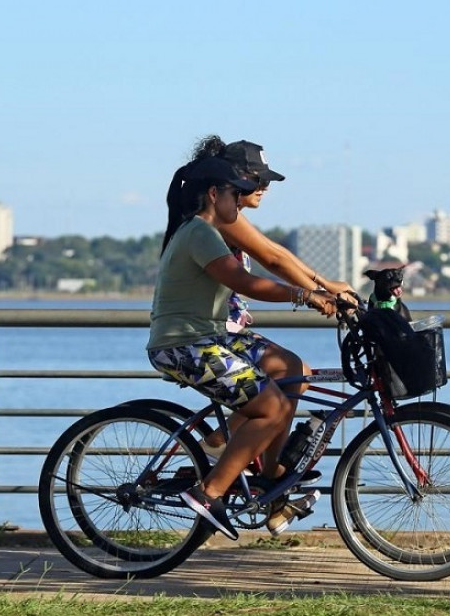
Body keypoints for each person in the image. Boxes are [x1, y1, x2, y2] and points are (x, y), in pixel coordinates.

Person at [147, 155, 336, 541]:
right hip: (184, 344)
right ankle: (208, 492)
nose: (246, 197)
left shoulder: (209, 230)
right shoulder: (200, 232)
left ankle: (269, 482)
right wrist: (305, 294)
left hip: (212, 336)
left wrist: (328, 293)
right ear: (215, 194)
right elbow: (246, 282)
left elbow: (269, 261)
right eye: (240, 192)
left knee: (292, 371)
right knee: (270, 407)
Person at [185, 137, 356, 533]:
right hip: (209, 334)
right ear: (229, 181)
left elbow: (278, 253)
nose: (263, 187)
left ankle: (265, 473)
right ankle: (235, 462)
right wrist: (316, 291)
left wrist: (324, 284)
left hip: (227, 331)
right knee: (278, 395)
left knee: (295, 371)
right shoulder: (218, 221)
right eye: (255, 178)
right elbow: (271, 259)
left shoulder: (226, 216)